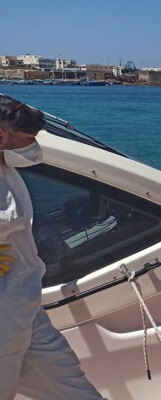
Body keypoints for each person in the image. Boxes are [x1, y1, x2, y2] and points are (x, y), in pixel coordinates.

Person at [0, 96, 103, 399]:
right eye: (28, 139)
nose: (32, 147)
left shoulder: (5, 168)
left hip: (24, 302)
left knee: (70, 382)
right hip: (5, 311)